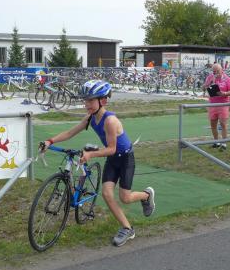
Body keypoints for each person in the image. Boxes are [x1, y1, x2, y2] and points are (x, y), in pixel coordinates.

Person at [42, 80, 155, 247]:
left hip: (125, 158)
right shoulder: (90, 118)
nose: (86, 104)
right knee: (107, 194)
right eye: (85, 100)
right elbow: (70, 132)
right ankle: (127, 228)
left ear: (103, 101)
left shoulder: (110, 121)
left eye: (90, 100)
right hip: (113, 159)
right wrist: (50, 141)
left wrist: (90, 154)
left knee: (125, 198)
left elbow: (111, 148)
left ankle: (146, 195)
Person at [202, 63, 230, 150]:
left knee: (223, 124)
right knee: (213, 124)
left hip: (223, 104)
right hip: (212, 104)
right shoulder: (210, 77)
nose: (215, 73)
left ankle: (224, 143)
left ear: (221, 70)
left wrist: (224, 93)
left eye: (217, 71)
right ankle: (216, 142)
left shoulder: (227, 79)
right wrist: (207, 84)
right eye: (214, 71)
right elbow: (203, 88)